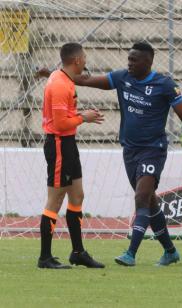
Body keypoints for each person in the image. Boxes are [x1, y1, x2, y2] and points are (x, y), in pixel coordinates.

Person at [42, 42, 182, 266]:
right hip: (130, 151)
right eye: (128, 59)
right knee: (149, 201)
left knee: (141, 197)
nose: (129, 63)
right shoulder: (122, 78)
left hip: (154, 150)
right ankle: (170, 251)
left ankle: (130, 253)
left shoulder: (165, 85)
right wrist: (57, 73)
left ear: (148, 62)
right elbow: (84, 79)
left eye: (134, 60)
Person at [38, 42, 105, 269]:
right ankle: (45, 257)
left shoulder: (64, 79)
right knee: (55, 200)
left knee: (77, 195)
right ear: (76, 60)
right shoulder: (58, 84)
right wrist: (82, 118)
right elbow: (58, 124)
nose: (86, 60)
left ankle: (78, 252)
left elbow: (65, 118)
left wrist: (80, 116)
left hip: (68, 143)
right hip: (58, 144)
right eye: (84, 57)